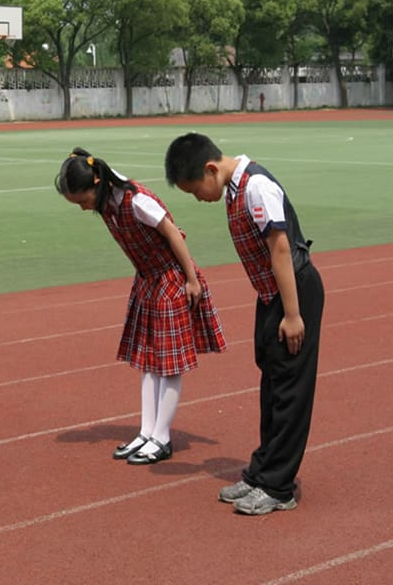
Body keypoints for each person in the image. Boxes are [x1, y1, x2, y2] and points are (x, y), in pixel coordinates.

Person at [164, 133, 324, 515]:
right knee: (271, 383)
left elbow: (280, 249)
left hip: (292, 293)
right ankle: (262, 472)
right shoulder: (235, 191)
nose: (199, 199)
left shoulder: (257, 188)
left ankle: (279, 486)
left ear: (210, 169)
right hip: (271, 295)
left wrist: (291, 314)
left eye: (195, 190)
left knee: (289, 390)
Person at [55, 148, 226, 465]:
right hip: (148, 280)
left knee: (170, 363)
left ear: (96, 182)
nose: (83, 208)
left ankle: (162, 438)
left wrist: (192, 280)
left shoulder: (137, 201)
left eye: (82, 200)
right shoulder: (109, 196)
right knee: (148, 361)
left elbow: (173, 233)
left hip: (171, 279)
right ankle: (147, 433)